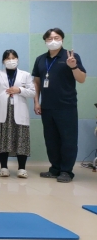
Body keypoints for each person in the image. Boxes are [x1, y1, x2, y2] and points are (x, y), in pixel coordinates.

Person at [32, 28, 86, 183]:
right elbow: (37, 82)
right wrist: (36, 102)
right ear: (45, 41)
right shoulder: (40, 59)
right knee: (51, 140)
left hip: (66, 106)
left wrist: (73, 66)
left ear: (62, 39)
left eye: (56, 38)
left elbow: (82, 79)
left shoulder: (71, 57)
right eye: (49, 39)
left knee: (68, 140)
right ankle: (55, 168)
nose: (53, 41)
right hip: (47, 107)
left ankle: (66, 171)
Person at [0, 50, 35, 178]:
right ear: (3, 61)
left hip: (19, 110)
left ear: (17, 59)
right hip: (3, 110)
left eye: (13, 58)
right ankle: (4, 168)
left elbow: (33, 92)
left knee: (21, 139)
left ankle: (22, 169)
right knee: (3, 139)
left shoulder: (25, 75)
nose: (11, 60)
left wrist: (19, 90)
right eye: (8, 58)